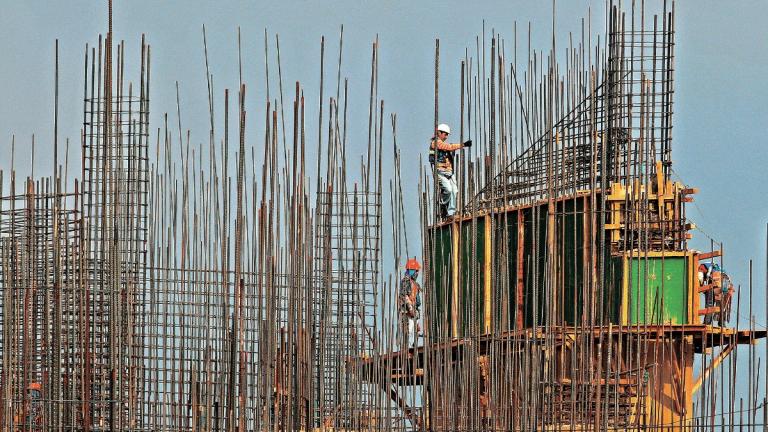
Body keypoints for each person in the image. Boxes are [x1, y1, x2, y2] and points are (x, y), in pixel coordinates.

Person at [429, 123, 472, 218]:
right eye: (445, 134)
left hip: (449, 172)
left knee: (454, 191)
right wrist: (463, 144)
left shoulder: (444, 144)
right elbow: (448, 147)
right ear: (439, 133)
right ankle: (443, 205)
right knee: (448, 189)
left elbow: (450, 146)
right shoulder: (435, 143)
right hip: (440, 171)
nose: (447, 136)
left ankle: (451, 212)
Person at [399, 258, 423, 349]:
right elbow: (404, 296)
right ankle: (406, 349)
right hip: (407, 312)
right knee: (407, 331)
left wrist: (416, 313)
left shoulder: (415, 284)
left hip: (414, 312)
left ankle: (413, 346)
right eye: (416, 271)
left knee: (415, 330)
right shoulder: (405, 282)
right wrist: (411, 309)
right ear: (412, 271)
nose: (417, 273)